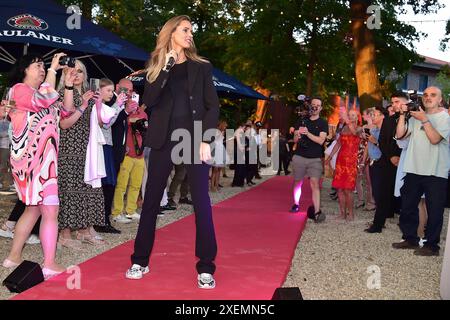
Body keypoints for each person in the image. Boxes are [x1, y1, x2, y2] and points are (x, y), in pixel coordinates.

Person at [125, 15, 220, 289]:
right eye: (186, 29)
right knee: (151, 201)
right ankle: (139, 261)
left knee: (201, 203)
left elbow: (212, 106)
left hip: (193, 140)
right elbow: (150, 102)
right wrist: (165, 66)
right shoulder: (156, 67)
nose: (191, 34)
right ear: (172, 33)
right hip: (163, 140)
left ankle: (205, 267)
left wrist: (206, 139)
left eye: (192, 30)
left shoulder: (201, 67)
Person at [1, 53, 75, 278]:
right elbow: (41, 101)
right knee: (50, 210)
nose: (42, 69)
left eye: (44, 66)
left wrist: (69, 85)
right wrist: (54, 70)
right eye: (38, 65)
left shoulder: (45, 92)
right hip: (34, 161)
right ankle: (50, 263)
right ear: (24, 70)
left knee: (33, 209)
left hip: (45, 161)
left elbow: (66, 112)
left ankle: (13, 257)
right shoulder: (19, 90)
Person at [393, 86, 450, 256]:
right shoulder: (415, 115)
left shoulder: (445, 118)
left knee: (434, 210)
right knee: (408, 206)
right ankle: (410, 238)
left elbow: (434, 139)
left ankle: (432, 246)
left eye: (433, 95)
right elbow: (400, 134)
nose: (428, 97)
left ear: (440, 99)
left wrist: (424, 119)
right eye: (425, 94)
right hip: (413, 168)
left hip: (435, 171)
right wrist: (403, 115)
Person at [364, 93, 403, 234]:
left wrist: (398, 156)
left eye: (396, 102)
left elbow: (396, 143)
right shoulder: (386, 123)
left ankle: (384, 222)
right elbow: (382, 143)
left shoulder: (400, 121)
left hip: (396, 161)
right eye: (392, 103)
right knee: (380, 193)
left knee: (389, 194)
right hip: (382, 162)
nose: (393, 106)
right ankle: (379, 223)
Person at [289, 97, 328, 222]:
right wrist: (297, 134)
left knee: (315, 184)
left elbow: (321, 141)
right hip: (299, 156)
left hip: (315, 158)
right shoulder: (301, 120)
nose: (315, 107)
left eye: (318, 105)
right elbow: (295, 140)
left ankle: (317, 211)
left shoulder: (323, 123)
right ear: (310, 106)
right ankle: (296, 204)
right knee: (298, 181)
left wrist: (307, 133)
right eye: (313, 104)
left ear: (321, 108)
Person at [326, 109, 361, 221]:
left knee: (348, 189)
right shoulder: (343, 128)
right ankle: (342, 214)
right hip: (341, 160)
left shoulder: (359, 128)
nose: (350, 117)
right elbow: (338, 144)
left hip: (351, 161)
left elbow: (354, 133)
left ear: (357, 117)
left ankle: (351, 214)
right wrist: (330, 156)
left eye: (353, 115)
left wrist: (347, 120)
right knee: (340, 188)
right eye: (349, 115)